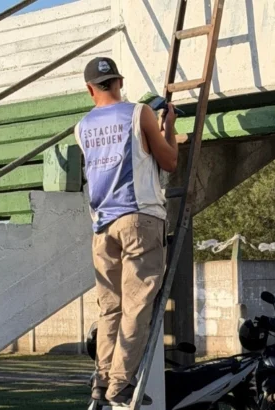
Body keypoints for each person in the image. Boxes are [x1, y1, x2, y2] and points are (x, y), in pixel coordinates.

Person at [75, 56, 178, 407]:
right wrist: (168, 128)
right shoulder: (139, 113)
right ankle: (120, 384)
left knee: (110, 308)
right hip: (139, 219)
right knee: (137, 307)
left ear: (90, 90)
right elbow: (169, 161)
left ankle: (102, 380)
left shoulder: (81, 127)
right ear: (119, 83)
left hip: (102, 226)